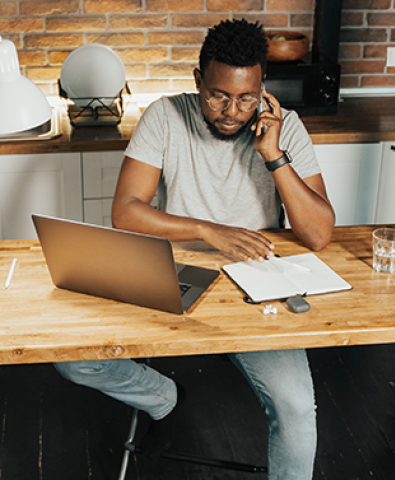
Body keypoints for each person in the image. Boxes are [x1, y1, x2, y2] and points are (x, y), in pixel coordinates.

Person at [54, 19, 335, 479]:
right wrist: (209, 230)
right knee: (73, 359)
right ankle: (163, 397)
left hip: (257, 281)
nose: (232, 111)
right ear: (197, 80)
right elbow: (126, 211)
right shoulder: (166, 115)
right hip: (172, 268)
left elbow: (319, 234)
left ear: (262, 89)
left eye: (246, 98)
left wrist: (274, 154)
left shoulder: (286, 129)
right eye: (218, 95)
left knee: (298, 408)